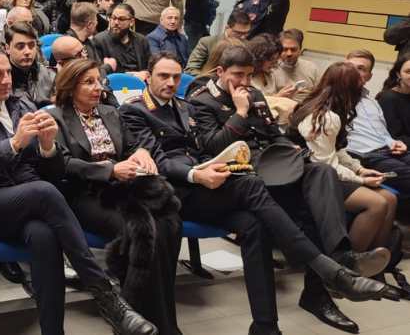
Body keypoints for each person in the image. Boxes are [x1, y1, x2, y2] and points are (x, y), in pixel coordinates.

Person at [123, 52, 392, 334]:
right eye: (163, 76)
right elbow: (159, 160)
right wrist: (197, 173)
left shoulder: (183, 105)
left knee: (257, 224)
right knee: (252, 185)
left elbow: (203, 148)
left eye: (176, 77)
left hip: (210, 181)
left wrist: (216, 165)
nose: (171, 82)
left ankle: (266, 326)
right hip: (175, 191)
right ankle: (330, 269)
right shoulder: (135, 110)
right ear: (148, 77)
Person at [0, 44, 156, 335]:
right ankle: (107, 297)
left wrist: (47, 146)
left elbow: (53, 171)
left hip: (35, 200)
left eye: (8, 72)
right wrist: (13, 144)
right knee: (44, 192)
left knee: (45, 237)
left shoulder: (21, 103)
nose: (6, 80)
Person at [47, 58, 182, 334]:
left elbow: (131, 146)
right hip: (85, 193)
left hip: (123, 187)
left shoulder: (110, 112)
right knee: (142, 230)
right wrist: (109, 170)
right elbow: (63, 164)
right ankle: (142, 320)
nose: (98, 87)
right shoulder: (56, 118)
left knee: (170, 222)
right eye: (89, 82)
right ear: (70, 87)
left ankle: (153, 317)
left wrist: (141, 152)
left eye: (99, 81)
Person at [292, 64, 399, 268]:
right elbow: (325, 163)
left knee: (390, 198)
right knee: (377, 204)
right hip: (313, 179)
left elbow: (337, 150)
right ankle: (344, 270)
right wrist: (360, 180)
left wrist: (359, 169)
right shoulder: (324, 117)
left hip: (323, 172)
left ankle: (373, 265)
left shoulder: (328, 108)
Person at [344, 50, 410, 200]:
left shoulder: (371, 102)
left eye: (361, 69)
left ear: (369, 76)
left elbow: (383, 133)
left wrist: (395, 142)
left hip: (390, 150)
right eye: (350, 67)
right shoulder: (334, 99)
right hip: (365, 156)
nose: (353, 72)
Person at [92, 3, 151, 80]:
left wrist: (145, 73)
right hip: (113, 84)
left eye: (121, 19)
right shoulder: (99, 40)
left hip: (139, 83)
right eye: (113, 18)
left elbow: (150, 67)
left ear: (131, 22)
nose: (116, 22)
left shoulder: (141, 40)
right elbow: (98, 71)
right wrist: (130, 76)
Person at [184, 10, 252, 76]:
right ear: (227, 27)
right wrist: (212, 79)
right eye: (238, 33)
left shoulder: (248, 46)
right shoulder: (207, 43)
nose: (243, 37)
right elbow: (190, 69)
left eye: (246, 33)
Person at [4, 22, 55, 108]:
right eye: (20, 47)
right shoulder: (2, 80)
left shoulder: (47, 74)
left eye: (31, 46)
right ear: (7, 48)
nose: (27, 52)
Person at [268, 29, 320, 103]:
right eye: (285, 49)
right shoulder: (271, 70)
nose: (289, 54)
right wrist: (279, 96)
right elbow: (267, 101)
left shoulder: (311, 68)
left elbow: (320, 94)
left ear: (300, 50)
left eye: (293, 49)